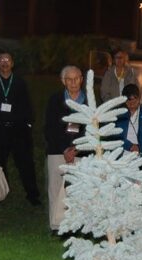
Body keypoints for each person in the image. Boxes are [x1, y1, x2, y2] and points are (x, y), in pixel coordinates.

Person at [0, 51, 41, 206]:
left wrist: (28, 124)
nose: (4, 62)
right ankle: (1, 192)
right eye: (1, 60)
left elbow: (28, 105)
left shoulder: (20, 82)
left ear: (12, 63)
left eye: (7, 60)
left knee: (25, 163)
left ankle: (32, 194)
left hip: (18, 130)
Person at [44, 65, 86, 232]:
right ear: (63, 81)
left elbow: (93, 128)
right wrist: (64, 149)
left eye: (76, 78)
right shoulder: (55, 100)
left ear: (81, 80)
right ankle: (56, 225)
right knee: (55, 188)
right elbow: (50, 128)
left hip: (82, 152)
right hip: (57, 150)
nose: (73, 82)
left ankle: (77, 225)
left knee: (80, 189)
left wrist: (76, 149)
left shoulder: (89, 100)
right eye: (69, 79)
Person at [115, 84, 142, 168]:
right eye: (128, 100)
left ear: (139, 99)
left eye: (134, 100)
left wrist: (140, 148)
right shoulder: (119, 113)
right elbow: (115, 134)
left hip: (141, 155)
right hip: (122, 154)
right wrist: (130, 146)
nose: (131, 103)